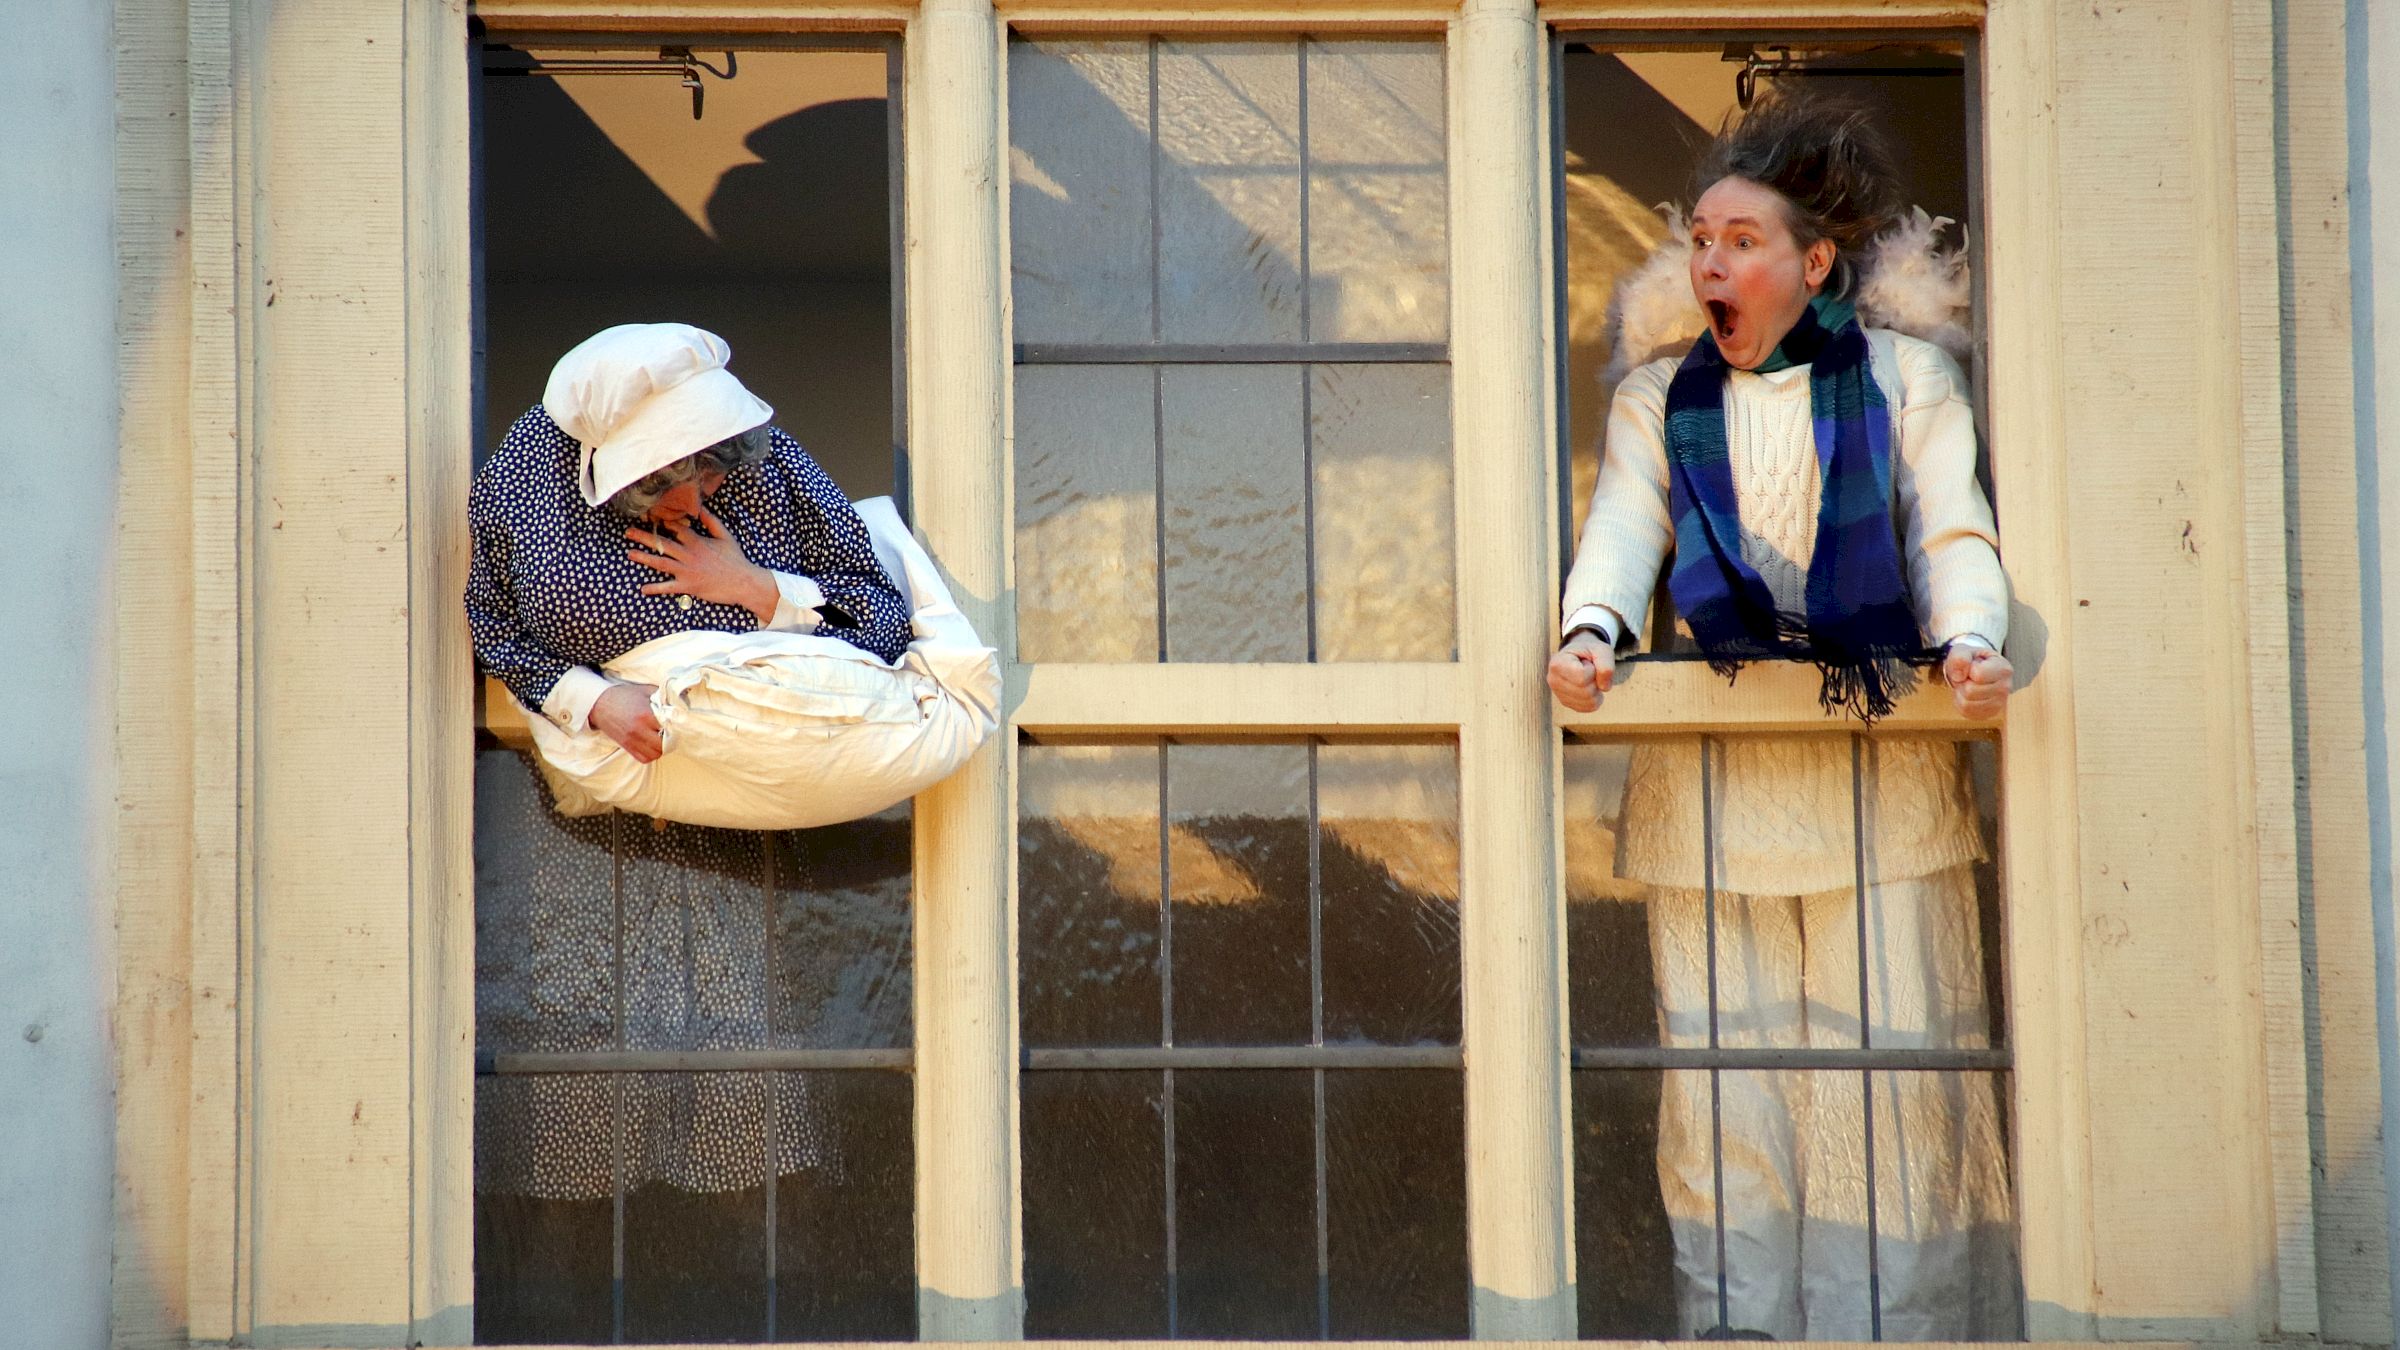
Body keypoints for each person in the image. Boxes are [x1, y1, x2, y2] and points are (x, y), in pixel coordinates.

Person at [1546, 97, 2020, 1339]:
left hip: (1883, 799)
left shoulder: (1907, 378)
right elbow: (1622, 532)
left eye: (1741, 240)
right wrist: (1590, 631)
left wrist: (1973, 641)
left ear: (1813, 263)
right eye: (1700, 238)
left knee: (1890, 1110)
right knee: (1724, 1108)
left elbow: (1951, 529)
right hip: (1711, 801)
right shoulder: (1660, 399)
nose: (1711, 262)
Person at [468, 323, 910, 762]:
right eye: (664, 493)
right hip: (627, 780)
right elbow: (494, 627)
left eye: (712, 478)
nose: (699, 507)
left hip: (788, 759)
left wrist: (756, 587)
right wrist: (594, 702)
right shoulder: (527, 478)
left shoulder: (767, 463)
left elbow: (878, 621)